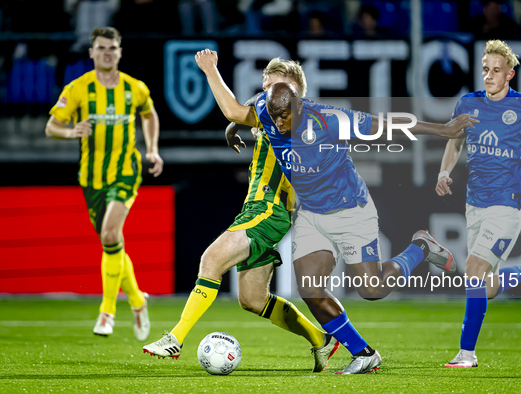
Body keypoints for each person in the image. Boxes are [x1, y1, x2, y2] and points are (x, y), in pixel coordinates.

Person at [193, 48, 478, 374]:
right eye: (273, 118)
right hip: (312, 214)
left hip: (349, 210)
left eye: (285, 117)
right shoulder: (267, 111)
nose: (279, 124)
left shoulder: (329, 120)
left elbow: (387, 125)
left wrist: (443, 130)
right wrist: (216, 82)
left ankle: (421, 247)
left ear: (299, 103)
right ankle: (364, 353)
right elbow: (234, 111)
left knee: (371, 290)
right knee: (310, 288)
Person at [143, 59, 340, 373]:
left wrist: (210, 71)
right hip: (265, 210)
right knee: (252, 299)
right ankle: (320, 337)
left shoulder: (293, 114)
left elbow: (235, 109)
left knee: (211, 260)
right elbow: (246, 110)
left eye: (275, 83)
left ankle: (175, 338)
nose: (267, 88)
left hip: (269, 210)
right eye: (265, 81)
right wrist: (236, 126)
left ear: (294, 89)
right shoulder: (279, 109)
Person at [435, 40, 521, 367]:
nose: (489, 76)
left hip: (508, 204)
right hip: (474, 204)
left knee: (473, 271)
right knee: (486, 288)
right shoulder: (467, 105)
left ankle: (467, 353)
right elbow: (455, 142)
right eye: (485, 70)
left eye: (496, 71)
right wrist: (444, 171)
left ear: (510, 75)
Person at [45, 27, 164, 341]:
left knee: (111, 233)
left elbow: (149, 115)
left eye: (112, 47)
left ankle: (107, 311)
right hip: (92, 179)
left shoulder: (134, 88)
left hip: (126, 171)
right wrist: (72, 132)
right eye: (101, 48)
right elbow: (52, 126)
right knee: (112, 244)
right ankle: (138, 300)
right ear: (92, 52)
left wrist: (151, 149)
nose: (107, 52)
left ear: (120, 52)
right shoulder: (78, 89)